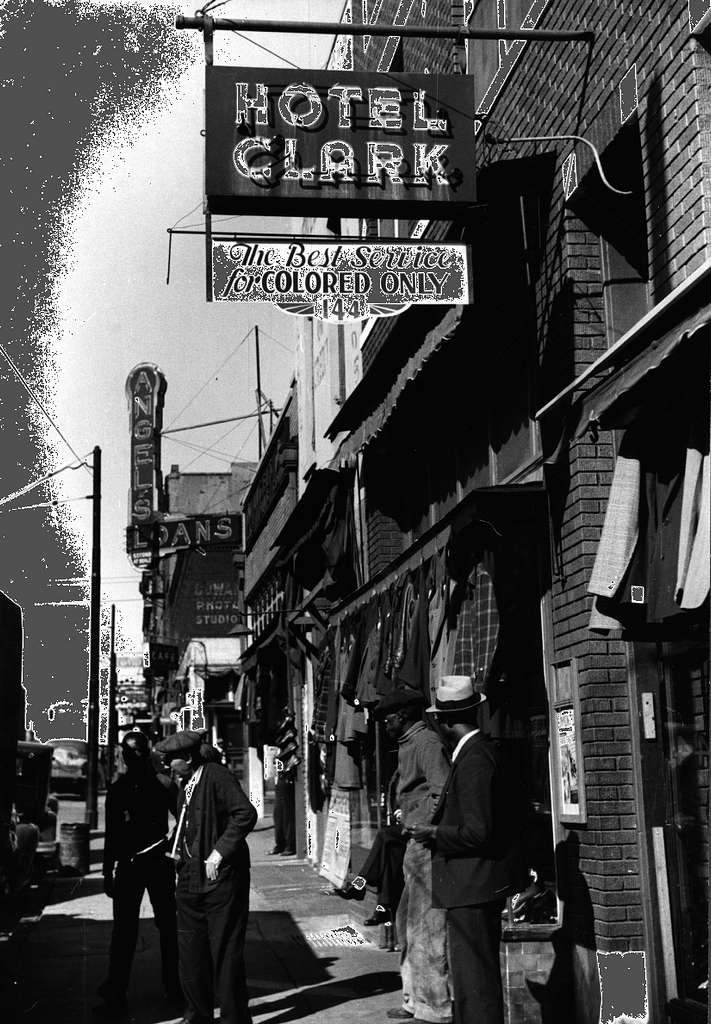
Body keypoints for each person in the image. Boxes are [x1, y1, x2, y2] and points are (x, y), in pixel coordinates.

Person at [409, 676, 526, 1024]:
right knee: (473, 979)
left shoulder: (475, 760)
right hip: (472, 885)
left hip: (472, 885)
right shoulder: (478, 753)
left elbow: (479, 831)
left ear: (444, 722)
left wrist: (434, 832)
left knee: (474, 980)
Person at [155, 729, 258, 1024]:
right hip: (190, 879)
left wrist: (218, 852)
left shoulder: (216, 776)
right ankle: (197, 1016)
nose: (166, 765)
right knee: (190, 953)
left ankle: (234, 1020)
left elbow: (245, 814)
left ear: (187, 758)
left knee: (225, 952)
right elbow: (189, 823)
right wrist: (174, 847)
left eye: (170, 759)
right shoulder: (187, 781)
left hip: (221, 879)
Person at [379, 688, 452, 1024]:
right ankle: (413, 998)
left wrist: (424, 823)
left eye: (389, 718)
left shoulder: (426, 743)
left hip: (425, 847)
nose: (385, 724)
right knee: (407, 924)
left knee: (427, 929)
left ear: (404, 715)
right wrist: (407, 813)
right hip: (413, 843)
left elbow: (442, 789)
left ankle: (435, 1006)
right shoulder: (411, 744)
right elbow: (422, 792)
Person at [97, 729, 181, 1017]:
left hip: (134, 865)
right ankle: (172, 986)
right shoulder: (161, 784)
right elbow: (182, 818)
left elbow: (112, 835)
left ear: (124, 755)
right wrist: (170, 844)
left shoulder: (120, 788)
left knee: (126, 932)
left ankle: (118, 992)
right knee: (166, 927)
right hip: (154, 862)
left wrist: (108, 872)